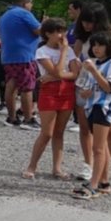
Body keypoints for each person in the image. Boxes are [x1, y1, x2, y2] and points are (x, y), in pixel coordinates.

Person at [73, 2, 111, 184]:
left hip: (104, 90)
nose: (87, 25)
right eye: (84, 21)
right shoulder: (81, 37)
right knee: (85, 128)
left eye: (90, 22)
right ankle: (90, 166)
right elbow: (75, 58)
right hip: (85, 85)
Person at [23, 19, 79, 180]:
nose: (62, 35)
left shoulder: (70, 51)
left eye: (63, 31)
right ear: (48, 34)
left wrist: (58, 74)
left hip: (67, 92)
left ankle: (57, 168)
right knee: (47, 132)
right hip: (49, 93)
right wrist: (62, 54)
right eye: (58, 31)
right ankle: (32, 166)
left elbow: (74, 74)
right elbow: (57, 72)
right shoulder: (42, 51)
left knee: (59, 133)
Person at [0, 0, 41, 130]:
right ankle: (28, 119)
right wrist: (46, 24)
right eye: (31, 4)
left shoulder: (4, 16)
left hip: (8, 55)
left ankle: (12, 117)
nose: (31, 7)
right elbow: (39, 30)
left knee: (11, 85)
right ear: (25, 3)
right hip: (24, 55)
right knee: (27, 87)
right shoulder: (24, 13)